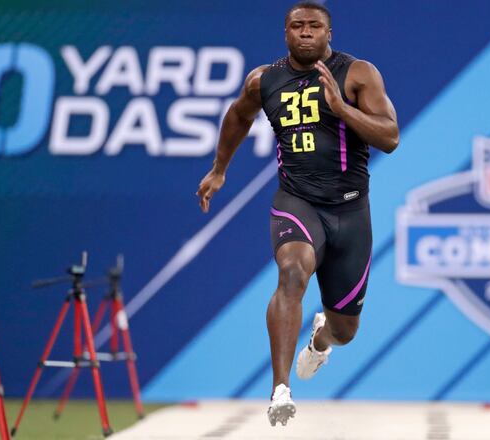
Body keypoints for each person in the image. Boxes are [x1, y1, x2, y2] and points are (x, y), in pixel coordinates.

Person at [196, 1, 398, 427]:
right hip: (297, 201)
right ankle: (280, 389)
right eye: (296, 26)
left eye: (314, 26)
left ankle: (320, 341)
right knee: (292, 271)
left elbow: (390, 136)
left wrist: (342, 109)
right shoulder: (264, 80)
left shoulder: (358, 73)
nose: (305, 32)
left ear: (329, 33)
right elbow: (237, 116)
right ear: (285, 33)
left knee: (346, 331)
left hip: (350, 211)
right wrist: (218, 170)